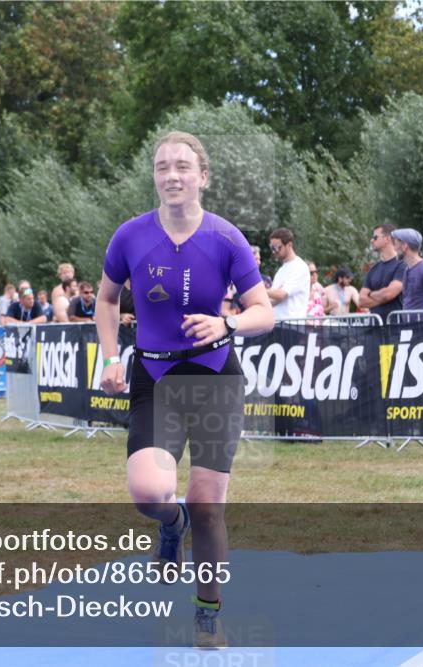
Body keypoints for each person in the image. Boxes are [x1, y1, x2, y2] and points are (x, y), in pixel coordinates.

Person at [95, 131, 274, 649]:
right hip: (155, 378)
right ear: (154, 175)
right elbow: (107, 301)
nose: (171, 175)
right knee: (150, 493)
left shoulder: (225, 238)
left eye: (182, 167)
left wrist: (228, 325)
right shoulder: (129, 236)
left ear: (203, 177)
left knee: (208, 504)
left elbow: (263, 311)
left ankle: (206, 615)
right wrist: (111, 355)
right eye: (161, 166)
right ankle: (169, 525)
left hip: (215, 377)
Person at [359, 224, 406, 323]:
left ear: (387, 238)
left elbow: (388, 294)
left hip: (396, 327)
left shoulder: (402, 265)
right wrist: (382, 297)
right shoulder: (373, 269)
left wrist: (371, 294)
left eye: (375, 237)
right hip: (376, 329)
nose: (372, 240)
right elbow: (361, 300)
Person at [267, 227, 310, 320]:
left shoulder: (299, 267)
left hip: (292, 325)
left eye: (277, 247)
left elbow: (281, 294)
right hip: (278, 323)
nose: (274, 252)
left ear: (289, 245)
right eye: (272, 248)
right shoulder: (281, 270)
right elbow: (275, 300)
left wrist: (259, 290)